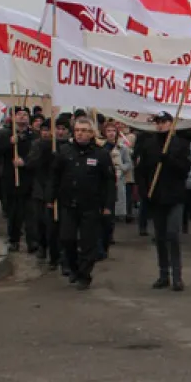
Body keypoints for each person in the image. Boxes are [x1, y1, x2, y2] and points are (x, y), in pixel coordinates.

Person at [49, 118, 114, 290]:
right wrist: (51, 198)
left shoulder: (100, 154)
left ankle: (84, 274)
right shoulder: (64, 151)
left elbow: (109, 182)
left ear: (92, 133)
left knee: (88, 243)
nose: (80, 133)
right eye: (77, 130)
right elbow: (55, 177)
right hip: (68, 203)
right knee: (67, 238)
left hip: (91, 205)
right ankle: (73, 267)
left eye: (84, 130)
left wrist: (108, 205)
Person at [134, 113, 191, 291]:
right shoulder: (148, 144)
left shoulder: (180, 144)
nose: (160, 126)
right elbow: (141, 171)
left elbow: (185, 170)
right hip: (156, 197)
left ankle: (177, 276)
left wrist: (169, 160)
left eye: (163, 122)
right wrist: (144, 192)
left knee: (172, 234)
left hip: (175, 197)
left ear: (171, 124)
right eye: (157, 123)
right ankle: (163, 274)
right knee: (159, 237)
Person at [28, 114, 71, 272]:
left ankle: (64, 259)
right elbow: (33, 165)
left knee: (65, 228)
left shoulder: (70, 148)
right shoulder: (42, 146)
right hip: (44, 191)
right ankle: (49, 253)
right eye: (57, 129)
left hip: (65, 193)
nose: (60, 132)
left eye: (63, 129)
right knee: (47, 225)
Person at [0, 107, 37, 253]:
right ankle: (14, 239)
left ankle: (32, 242)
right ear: (13, 117)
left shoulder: (34, 136)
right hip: (11, 178)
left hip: (30, 178)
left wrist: (25, 162)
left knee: (31, 213)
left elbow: (38, 155)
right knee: (14, 212)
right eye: (19, 115)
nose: (22, 117)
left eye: (25, 114)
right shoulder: (5, 133)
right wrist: (9, 144)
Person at [97, 124, 131, 259]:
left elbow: (129, 163)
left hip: (117, 181)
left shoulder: (122, 148)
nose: (111, 133)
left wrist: (121, 168)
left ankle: (108, 236)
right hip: (103, 184)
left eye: (113, 131)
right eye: (108, 131)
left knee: (111, 213)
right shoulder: (100, 148)